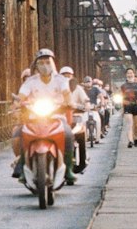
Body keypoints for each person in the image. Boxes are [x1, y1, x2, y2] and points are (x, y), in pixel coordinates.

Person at [12, 49, 75, 184]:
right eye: (41, 63)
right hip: (35, 117)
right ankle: (23, 167)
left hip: (57, 116)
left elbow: (67, 93)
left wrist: (69, 102)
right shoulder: (31, 81)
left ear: (53, 64)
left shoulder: (61, 79)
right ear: (36, 65)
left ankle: (69, 169)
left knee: (68, 134)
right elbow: (21, 95)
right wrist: (17, 103)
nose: (45, 65)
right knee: (21, 133)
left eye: (48, 62)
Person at [63, 66, 92, 172]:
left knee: (80, 134)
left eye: (68, 75)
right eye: (63, 75)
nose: (66, 77)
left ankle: (82, 160)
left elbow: (85, 99)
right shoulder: (56, 87)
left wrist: (87, 104)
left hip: (75, 116)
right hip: (59, 118)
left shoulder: (78, 88)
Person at [121, 67, 137, 147]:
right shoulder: (123, 85)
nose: (130, 74)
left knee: (136, 124)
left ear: (134, 74)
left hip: (136, 105)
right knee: (129, 124)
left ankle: (135, 138)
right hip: (127, 105)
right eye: (128, 73)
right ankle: (130, 141)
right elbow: (121, 95)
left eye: (131, 73)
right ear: (126, 75)